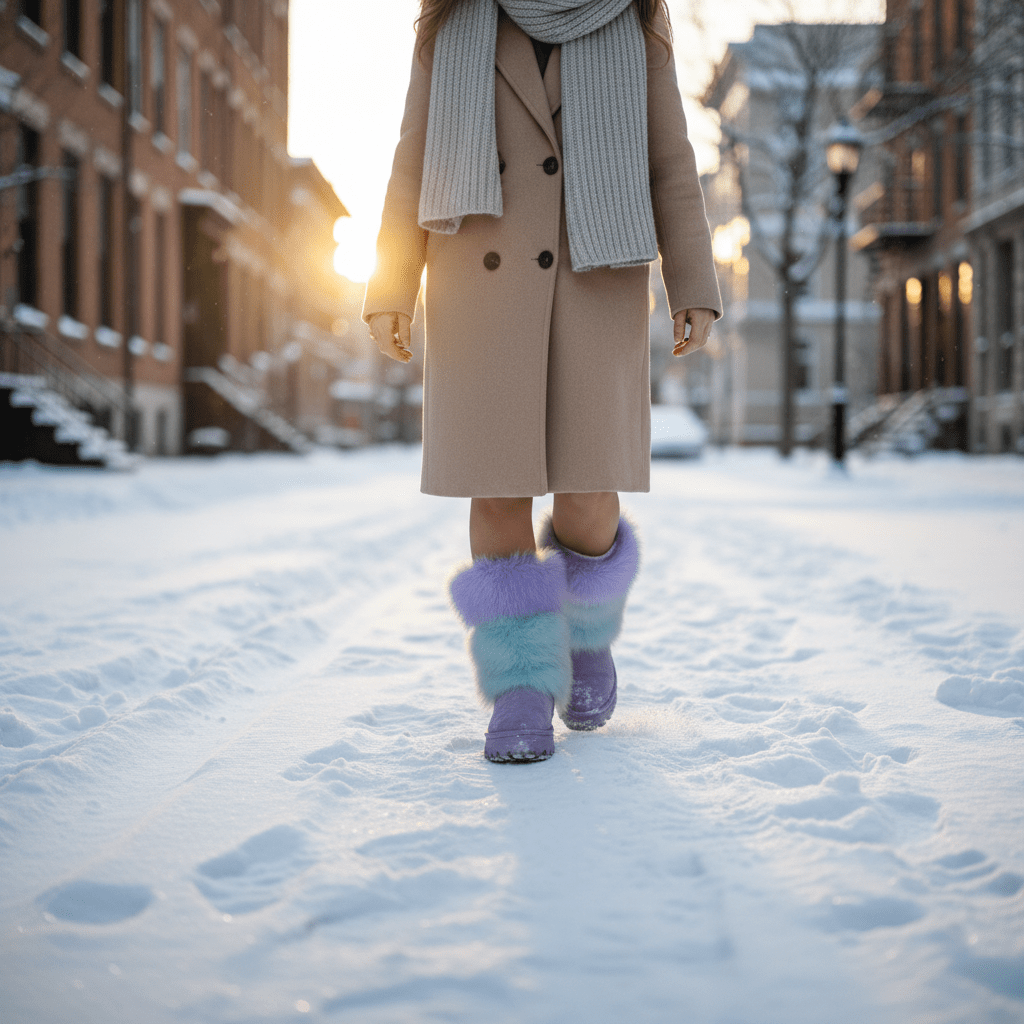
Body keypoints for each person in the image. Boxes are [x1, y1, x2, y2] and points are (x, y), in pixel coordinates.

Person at [364, 0, 721, 763]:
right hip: (478, 277)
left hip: (597, 272)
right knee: (496, 487)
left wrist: (693, 280)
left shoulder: (632, 20)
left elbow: (669, 159)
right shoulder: (452, 21)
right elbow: (414, 154)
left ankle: (586, 639)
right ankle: (522, 686)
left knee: (590, 491)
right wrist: (391, 283)